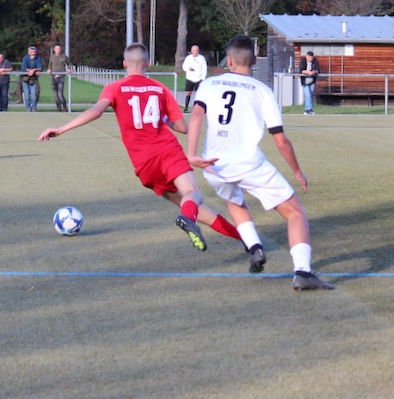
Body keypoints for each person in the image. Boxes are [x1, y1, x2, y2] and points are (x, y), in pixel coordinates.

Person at [39, 43, 250, 260]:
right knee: (193, 194)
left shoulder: (115, 88)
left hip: (143, 164)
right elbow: (183, 128)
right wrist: (164, 118)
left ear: (125, 64)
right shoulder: (160, 88)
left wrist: (61, 129)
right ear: (148, 63)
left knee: (188, 204)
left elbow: (96, 111)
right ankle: (192, 219)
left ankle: (245, 240)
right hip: (166, 151)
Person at [187, 34, 334, 291]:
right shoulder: (263, 91)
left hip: (214, 165)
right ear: (255, 61)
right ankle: (303, 272)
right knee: (295, 213)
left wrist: (191, 154)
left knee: (234, 201)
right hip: (249, 165)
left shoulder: (208, 84)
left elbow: (196, 115)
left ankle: (254, 247)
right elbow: (280, 141)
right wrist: (297, 172)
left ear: (229, 60)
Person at [182, 44, 207, 113]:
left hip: (199, 78)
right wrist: (189, 68)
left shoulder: (201, 58)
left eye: (196, 51)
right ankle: (186, 108)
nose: (195, 52)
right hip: (190, 78)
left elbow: (204, 68)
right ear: (191, 51)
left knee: (199, 94)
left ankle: (198, 108)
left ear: (198, 51)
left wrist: (203, 78)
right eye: (194, 51)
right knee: (188, 93)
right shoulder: (188, 58)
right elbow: (184, 66)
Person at [47, 43, 70, 112]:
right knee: (56, 95)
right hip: (53, 77)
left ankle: (65, 107)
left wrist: (69, 69)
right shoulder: (52, 57)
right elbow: (49, 65)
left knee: (60, 94)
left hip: (61, 77)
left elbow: (68, 63)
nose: (58, 50)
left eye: (59, 49)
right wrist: (49, 69)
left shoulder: (64, 56)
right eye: (57, 49)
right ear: (54, 49)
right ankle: (58, 108)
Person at [21, 45, 43, 112]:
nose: (33, 53)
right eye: (31, 52)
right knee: (26, 95)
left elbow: (40, 68)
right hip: (25, 79)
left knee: (34, 95)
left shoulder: (38, 58)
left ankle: (33, 107)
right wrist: (30, 71)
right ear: (28, 52)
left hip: (33, 79)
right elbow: (24, 68)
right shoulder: (25, 58)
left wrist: (33, 70)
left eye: (34, 52)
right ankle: (28, 107)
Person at [299, 50, 320, 115]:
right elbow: (301, 70)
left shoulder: (315, 61)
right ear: (306, 56)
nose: (310, 59)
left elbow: (318, 70)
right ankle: (310, 109)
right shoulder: (303, 61)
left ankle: (306, 110)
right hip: (305, 82)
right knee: (308, 95)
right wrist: (307, 72)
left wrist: (314, 72)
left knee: (310, 96)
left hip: (312, 81)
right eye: (309, 57)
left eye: (311, 58)